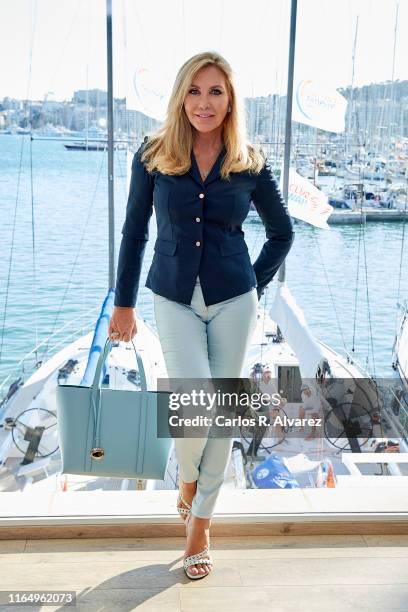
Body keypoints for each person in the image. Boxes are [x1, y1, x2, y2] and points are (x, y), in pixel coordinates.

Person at [108, 51, 294, 580]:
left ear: (230, 99)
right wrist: (123, 303)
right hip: (172, 297)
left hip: (235, 300)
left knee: (224, 412)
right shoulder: (153, 154)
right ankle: (188, 484)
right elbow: (134, 233)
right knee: (196, 411)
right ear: (180, 95)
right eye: (195, 90)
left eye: (215, 92)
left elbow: (283, 233)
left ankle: (200, 523)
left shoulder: (249, 161)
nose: (204, 103)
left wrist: (250, 286)